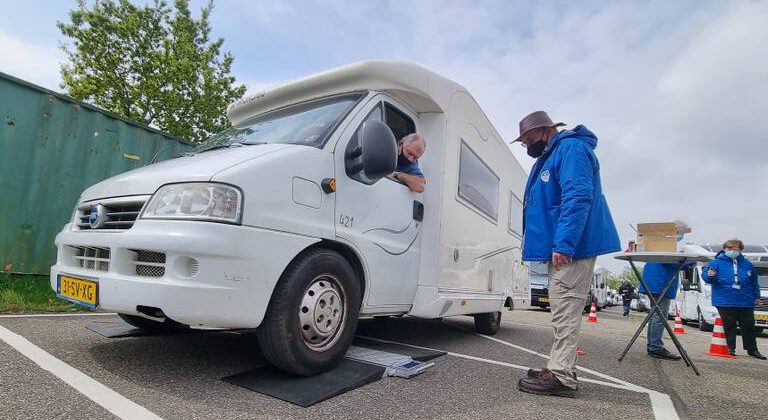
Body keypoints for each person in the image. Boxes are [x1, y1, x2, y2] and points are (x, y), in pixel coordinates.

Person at [512, 111, 621, 397]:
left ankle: (561, 376)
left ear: (545, 130)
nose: (527, 146)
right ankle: (560, 367)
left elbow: (578, 195)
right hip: (566, 246)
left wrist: (564, 244)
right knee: (563, 309)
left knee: (565, 310)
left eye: (528, 139)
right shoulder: (556, 152)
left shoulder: (570, 148)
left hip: (573, 248)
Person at [701, 239, 765, 360]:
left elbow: (754, 282)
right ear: (725, 249)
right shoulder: (716, 262)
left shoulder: (747, 264)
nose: (733, 251)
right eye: (730, 248)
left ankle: (752, 349)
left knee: (748, 324)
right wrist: (708, 275)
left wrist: (756, 297)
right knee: (729, 324)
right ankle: (730, 348)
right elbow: (708, 279)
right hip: (725, 299)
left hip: (745, 300)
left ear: (740, 250)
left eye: (736, 249)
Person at [640, 262, 693, 360]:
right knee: (659, 316)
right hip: (661, 283)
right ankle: (655, 347)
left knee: (655, 315)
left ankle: (653, 345)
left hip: (654, 282)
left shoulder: (655, 251)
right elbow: (678, 263)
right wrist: (691, 261)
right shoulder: (666, 251)